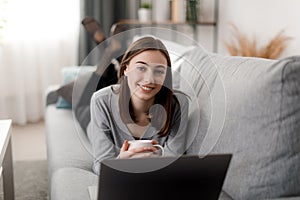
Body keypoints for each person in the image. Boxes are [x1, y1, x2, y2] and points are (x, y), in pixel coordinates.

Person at [87, 36, 189, 175]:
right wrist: (120, 161)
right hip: (90, 118)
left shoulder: (178, 105)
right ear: (125, 69)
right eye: (141, 68)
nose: (149, 79)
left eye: (159, 71)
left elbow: (173, 160)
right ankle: (108, 51)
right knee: (85, 99)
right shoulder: (101, 101)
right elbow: (100, 165)